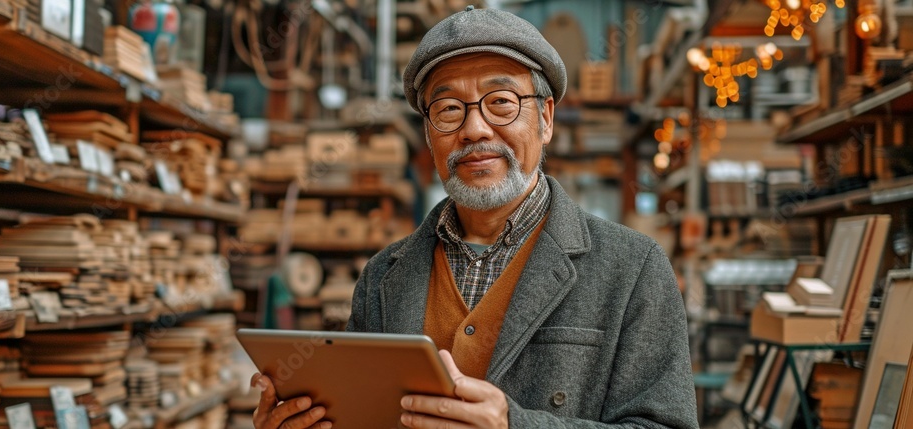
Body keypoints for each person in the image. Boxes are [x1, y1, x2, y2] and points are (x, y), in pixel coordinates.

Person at [251, 6, 698, 428]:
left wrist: (514, 424)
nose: (474, 129)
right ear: (429, 134)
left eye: (501, 101)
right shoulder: (383, 277)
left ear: (545, 119)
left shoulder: (633, 267)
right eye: (448, 109)